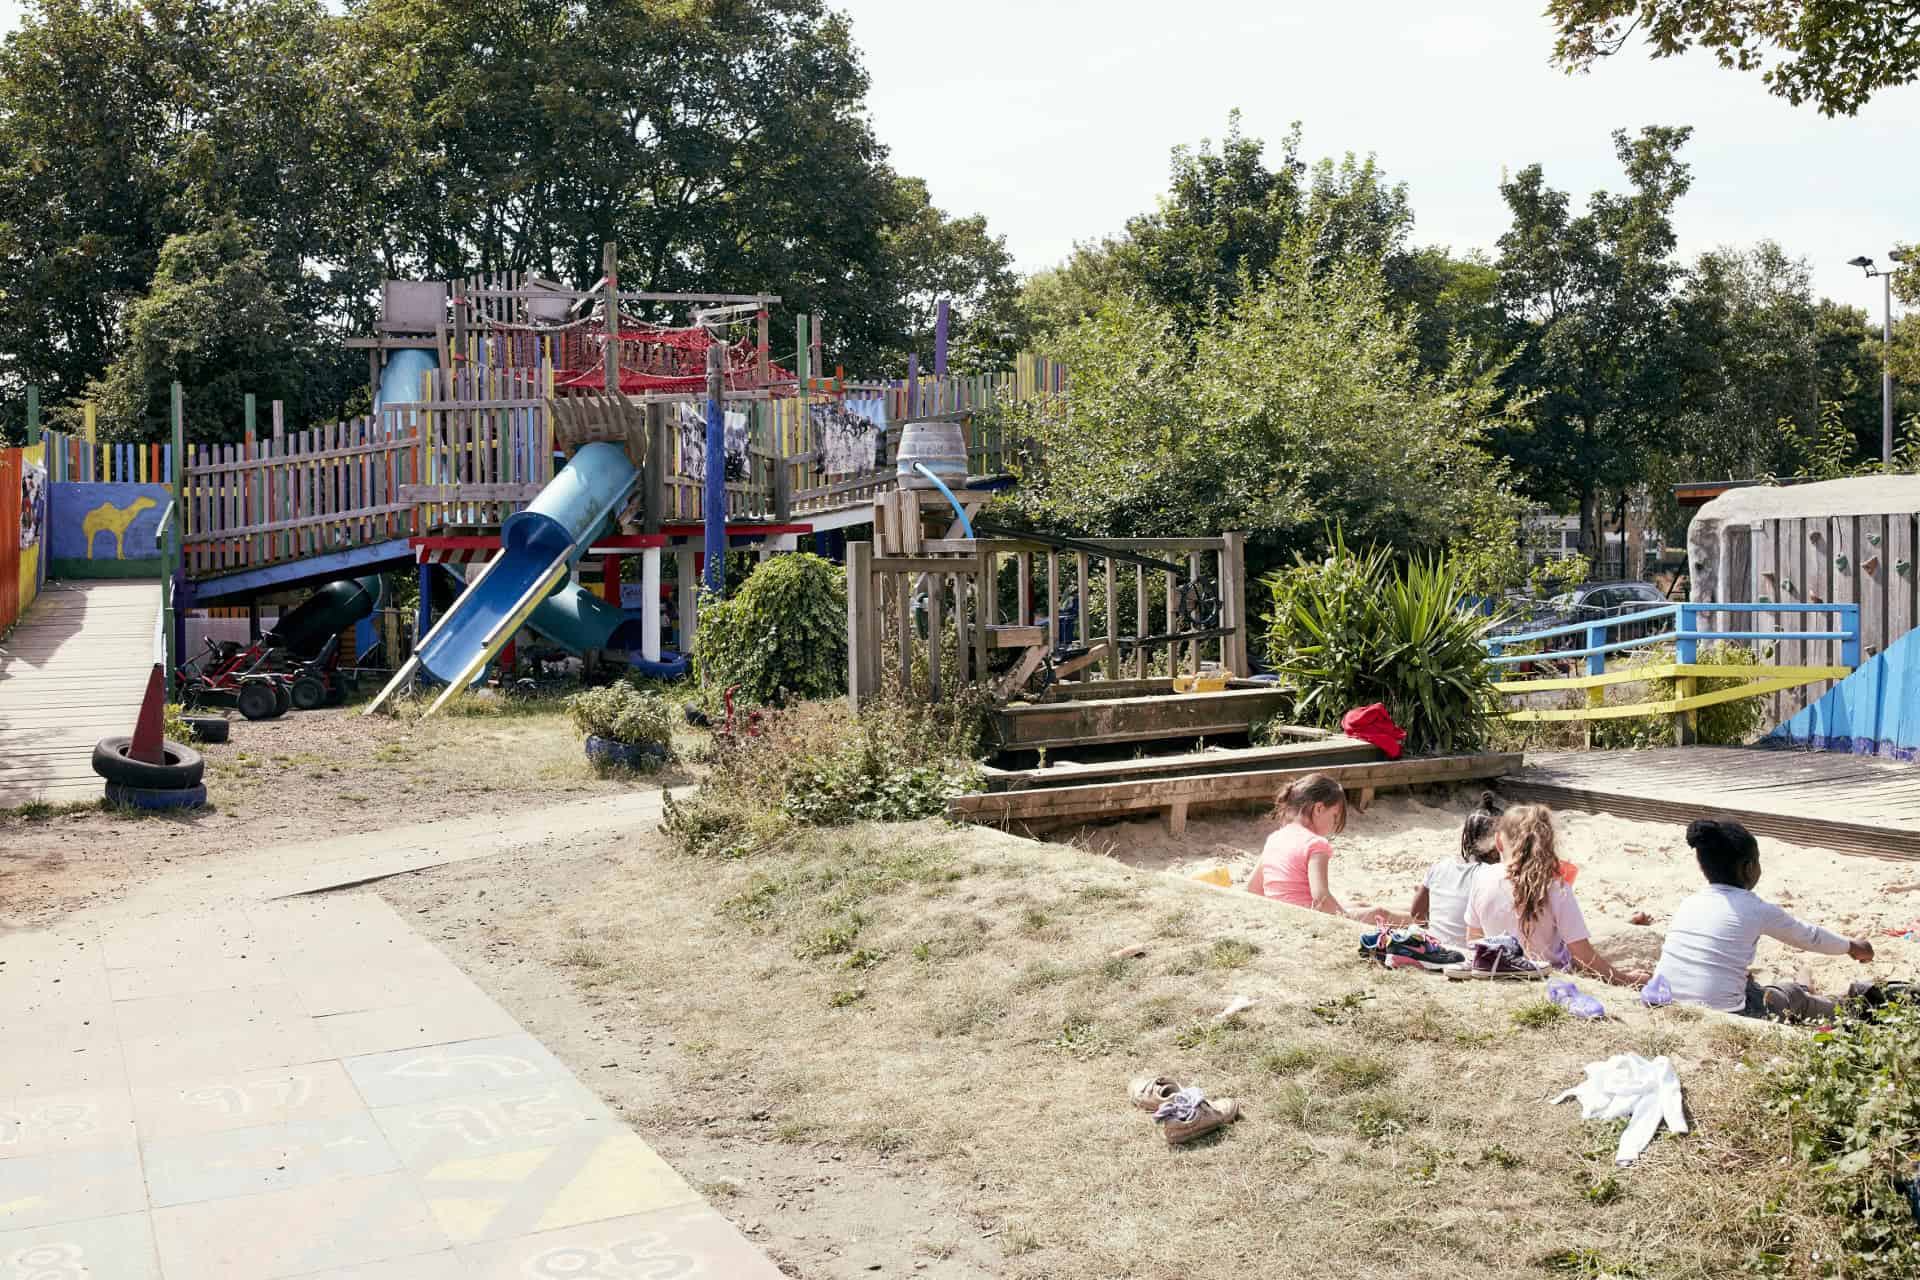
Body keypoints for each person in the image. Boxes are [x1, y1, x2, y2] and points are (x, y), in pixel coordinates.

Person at [1651, 819, 1874, 1020]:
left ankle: (1802, 985)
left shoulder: (1689, 903)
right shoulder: (1755, 909)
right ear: (1749, 868)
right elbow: (1810, 937)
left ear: (1702, 866)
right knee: (1793, 997)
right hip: (1726, 1012)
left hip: (1662, 1001)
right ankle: (1840, 1003)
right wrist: (1852, 946)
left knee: (1752, 985)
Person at [1465, 804, 1646, 986]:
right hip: (1549, 975)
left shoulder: (1481, 877)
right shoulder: (1556, 887)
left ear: (1498, 842)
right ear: (1547, 843)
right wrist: (1628, 979)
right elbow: (1583, 956)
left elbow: (1474, 939)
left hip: (1498, 970)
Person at [1246, 774, 1401, 924]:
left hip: (1280, 913)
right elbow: (1321, 898)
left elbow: (1252, 888)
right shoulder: (1315, 844)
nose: (1334, 825)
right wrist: (1346, 921)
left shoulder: (1275, 838)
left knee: (1361, 906)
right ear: (1319, 809)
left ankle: (1418, 911)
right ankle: (1421, 919)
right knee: (1379, 914)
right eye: (1334, 816)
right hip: (1305, 918)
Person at [1409, 791, 1502, 948]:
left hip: (1435, 951)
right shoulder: (1490, 875)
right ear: (1498, 842)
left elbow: (1417, 914)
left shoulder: (1440, 866)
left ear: (1466, 835)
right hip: (1468, 955)